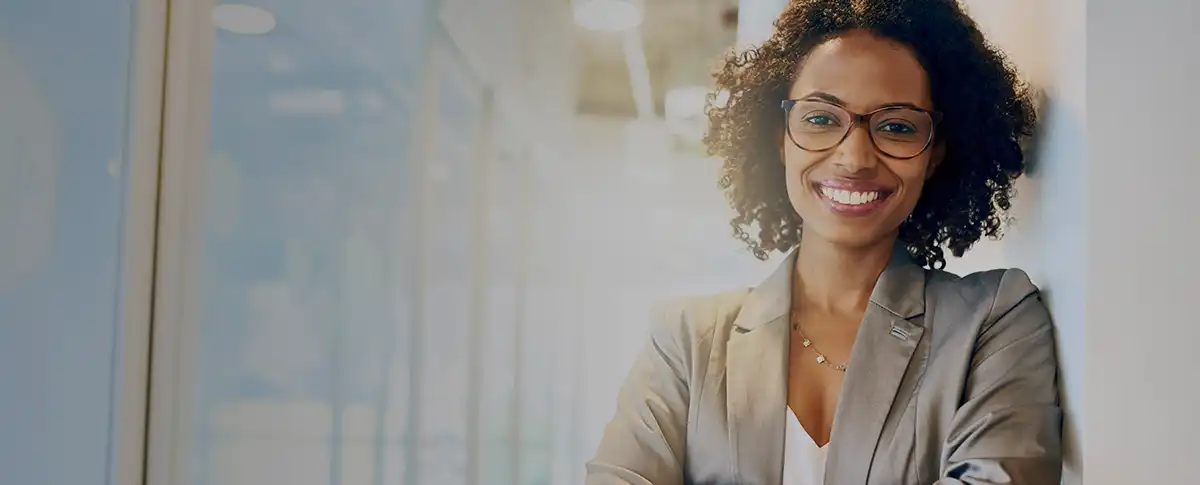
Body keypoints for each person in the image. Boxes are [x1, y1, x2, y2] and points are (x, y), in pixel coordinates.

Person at [585, 0, 1062, 484]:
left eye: (896, 126)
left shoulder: (993, 320)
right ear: (778, 136)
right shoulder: (687, 340)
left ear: (936, 152)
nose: (854, 157)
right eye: (820, 119)